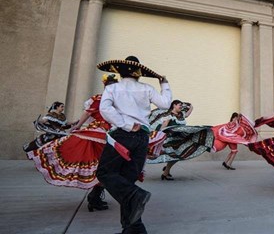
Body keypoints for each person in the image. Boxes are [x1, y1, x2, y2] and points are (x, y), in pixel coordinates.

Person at [96, 56, 172, 234]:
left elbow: (105, 109)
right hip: (142, 138)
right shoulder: (147, 88)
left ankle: (135, 197)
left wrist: (127, 125)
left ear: (119, 72)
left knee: (105, 173)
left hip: (122, 135)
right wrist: (165, 84)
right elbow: (166, 103)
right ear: (139, 74)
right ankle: (134, 228)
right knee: (127, 180)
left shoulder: (113, 88)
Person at [26, 74, 119, 212]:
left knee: (101, 166)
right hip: (103, 133)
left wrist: (78, 125)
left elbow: (88, 113)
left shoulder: (102, 98)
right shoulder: (107, 99)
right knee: (105, 165)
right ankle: (95, 197)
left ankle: (95, 197)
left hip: (102, 132)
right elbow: (88, 113)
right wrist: (77, 125)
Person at [147, 100, 213, 180]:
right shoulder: (169, 116)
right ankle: (164, 172)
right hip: (170, 140)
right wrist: (158, 138)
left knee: (178, 156)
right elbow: (163, 128)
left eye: (182, 106)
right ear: (174, 105)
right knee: (171, 155)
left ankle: (166, 171)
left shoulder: (181, 114)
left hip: (180, 140)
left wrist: (191, 106)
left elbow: (188, 112)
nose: (181, 107)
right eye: (179, 105)